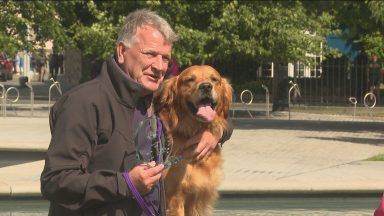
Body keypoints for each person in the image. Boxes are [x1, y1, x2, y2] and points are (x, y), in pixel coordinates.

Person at [41, 9, 232, 216]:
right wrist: (126, 183)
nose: (159, 66)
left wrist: (215, 134)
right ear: (122, 52)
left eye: (165, 58)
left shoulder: (157, 98)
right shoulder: (83, 102)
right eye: (150, 54)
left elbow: (219, 116)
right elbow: (55, 181)